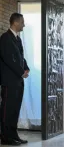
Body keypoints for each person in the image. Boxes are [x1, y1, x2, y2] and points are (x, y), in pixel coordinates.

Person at [0, 13, 29, 145]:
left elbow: (20, 57)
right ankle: (5, 137)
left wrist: (26, 67)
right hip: (9, 81)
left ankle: (13, 134)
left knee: (15, 109)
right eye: (22, 22)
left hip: (18, 81)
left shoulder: (17, 39)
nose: (24, 24)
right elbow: (8, 59)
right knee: (7, 109)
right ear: (16, 23)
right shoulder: (5, 38)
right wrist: (21, 72)